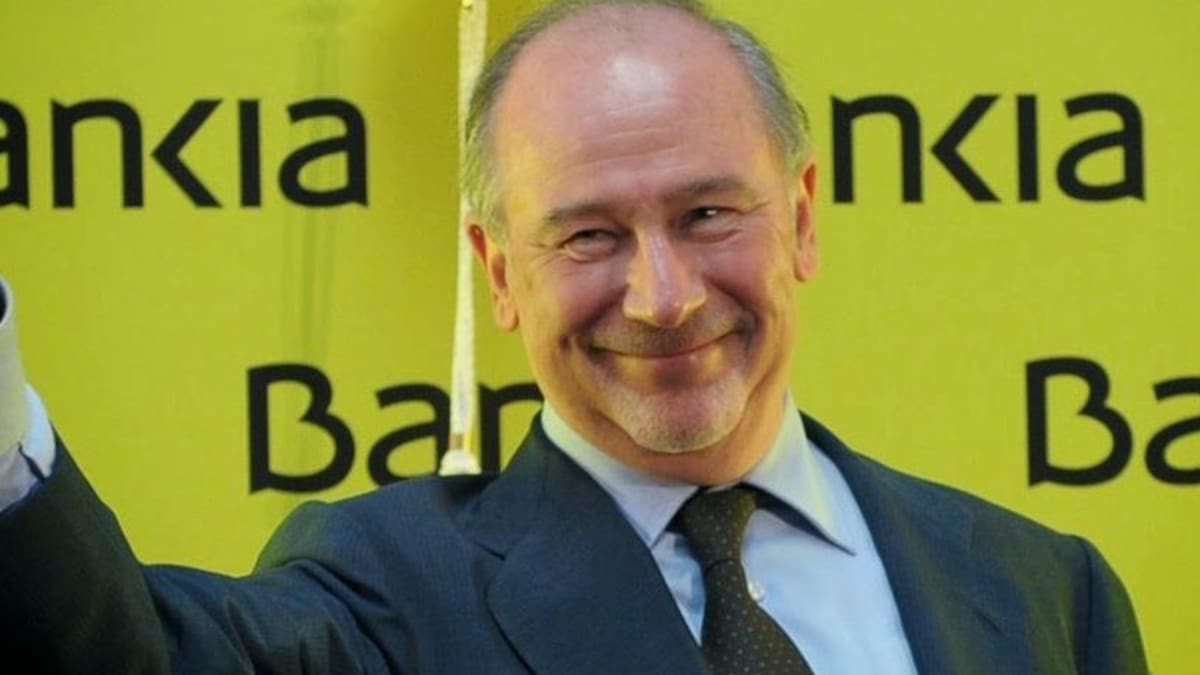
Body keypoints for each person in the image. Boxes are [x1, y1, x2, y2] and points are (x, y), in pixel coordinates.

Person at [0, 1, 1148, 673]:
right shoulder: (386, 592)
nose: (662, 295)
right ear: (501, 271)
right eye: (590, 235)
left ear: (801, 219)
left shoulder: (1047, 591)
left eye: (708, 214)